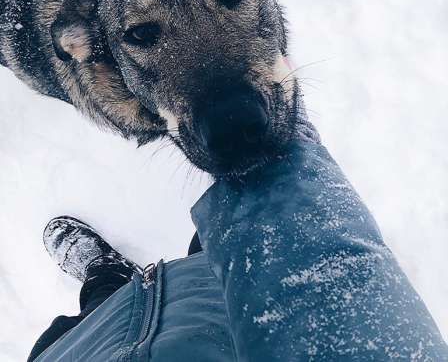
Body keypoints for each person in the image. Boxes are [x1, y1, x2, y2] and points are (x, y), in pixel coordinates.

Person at [28, 126, 448, 361]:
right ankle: (213, 251)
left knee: (93, 319)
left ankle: (108, 283)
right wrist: (274, 175)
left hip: (86, 353)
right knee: (235, 259)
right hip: (230, 326)